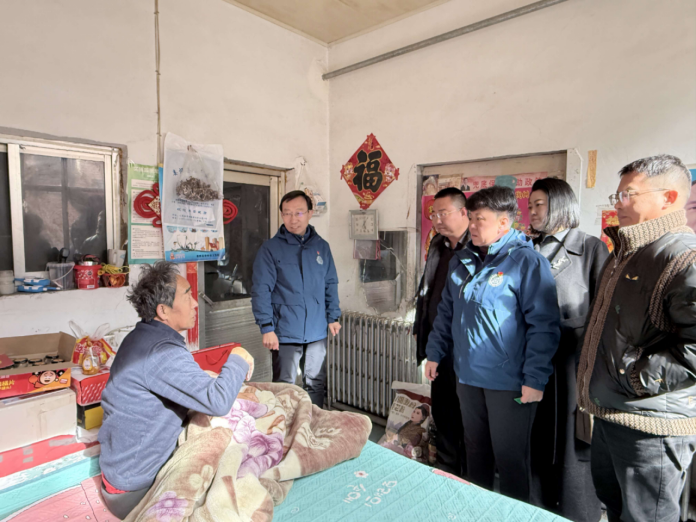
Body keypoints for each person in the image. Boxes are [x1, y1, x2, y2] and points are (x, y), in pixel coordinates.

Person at [577, 154, 696, 522]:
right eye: (617, 196)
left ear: (669, 198)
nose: (619, 204)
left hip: (651, 425)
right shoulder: (628, 251)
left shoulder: (683, 256)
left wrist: (634, 378)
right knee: (615, 509)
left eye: (628, 194)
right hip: (613, 411)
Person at [425, 185, 561, 502]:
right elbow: (446, 312)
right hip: (468, 376)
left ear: (504, 222)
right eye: (471, 218)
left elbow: (544, 326)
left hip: (508, 381)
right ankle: (477, 510)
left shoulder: (526, 262)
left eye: (479, 219)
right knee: (476, 453)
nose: (472, 226)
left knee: (511, 460)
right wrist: (434, 353)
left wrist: (535, 379)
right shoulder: (462, 261)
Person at [99, 262, 254, 519]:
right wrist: (238, 357)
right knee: (237, 440)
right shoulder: (161, 351)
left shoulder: (140, 337)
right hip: (133, 490)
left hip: (119, 472)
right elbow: (218, 401)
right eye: (188, 295)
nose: (195, 304)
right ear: (163, 311)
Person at [527, 178, 609, 522]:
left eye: (539, 204)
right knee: (536, 436)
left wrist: (573, 329)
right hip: (532, 360)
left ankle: (577, 511)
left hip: (572, 362)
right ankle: (536, 507)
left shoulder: (590, 248)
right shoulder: (527, 247)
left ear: (561, 204)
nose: (532, 212)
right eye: (529, 205)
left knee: (573, 443)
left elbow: (603, 308)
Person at [251, 190, 341, 407]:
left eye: (299, 212)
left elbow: (330, 283)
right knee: (285, 384)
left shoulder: (321, 247)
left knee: (316, 382)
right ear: (282, 215)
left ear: (310, 213)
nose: (293, 219)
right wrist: (266, 327)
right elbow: (261, 290)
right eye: (287, 213)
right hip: (285, 330)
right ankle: (284, 424)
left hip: (317, 329)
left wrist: (333, 316)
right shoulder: (270, 249)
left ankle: (312, 421)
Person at [414, 187, 469, 477]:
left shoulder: (478, 248)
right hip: (438, 345)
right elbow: (427, 290)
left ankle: (469, 473)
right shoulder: (438, 244)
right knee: (444, 409)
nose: (436, 220)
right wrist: (419, 327)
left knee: (467, 413)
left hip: (466, 348)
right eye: (433, 214)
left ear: (464, 212)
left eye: (443, 213)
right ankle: (447, 467)